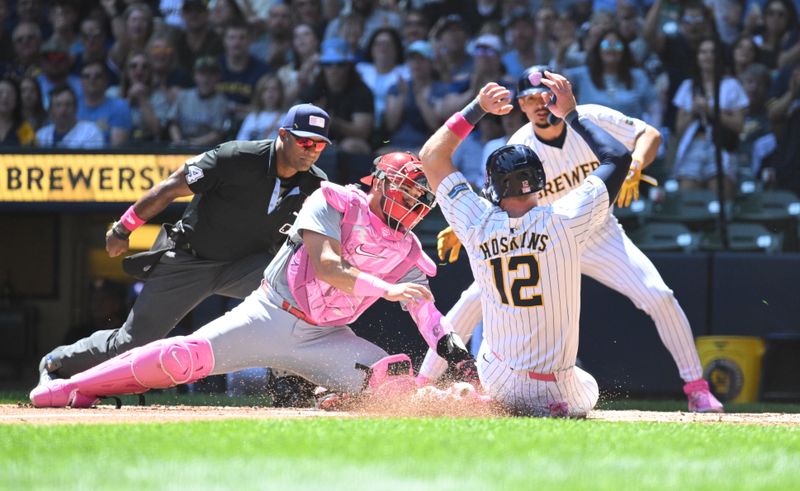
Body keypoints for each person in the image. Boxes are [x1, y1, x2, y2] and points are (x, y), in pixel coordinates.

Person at [30, 152, 476, 408]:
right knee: (180, 359)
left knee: (393, 382)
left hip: (328, 336)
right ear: (379, 182)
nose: (412, 201)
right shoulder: (335, 201)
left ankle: (342, 399)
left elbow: (425, 307)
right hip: (270, 313)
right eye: (406, 189)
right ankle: (71, 387)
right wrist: (387, 289)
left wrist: (448, 344)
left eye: (419, 196)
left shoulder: (407, 249)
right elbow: (327, 268)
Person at [417, 66, 725, 414]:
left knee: (659, 295)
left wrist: (637, 163)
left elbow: (649, 134)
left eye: (544, 95)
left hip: (594, 234)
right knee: (470, 300)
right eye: (529, 99)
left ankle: (696, 386)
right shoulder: (522, 143)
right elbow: (611, 161)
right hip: (551, 237)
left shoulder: (592, 117)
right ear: (520, 105)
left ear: (559, 95)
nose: (538, 104)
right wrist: (625, 166)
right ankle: (423, 382)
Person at [35, 103, 330, 385]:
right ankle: (57, 363)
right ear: (283, 135)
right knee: (133, 343)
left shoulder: (316, 185)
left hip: (246, 267)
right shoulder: (235, 157)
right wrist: (123, 228)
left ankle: (294, 382)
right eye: (305, 143)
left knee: (303, 293)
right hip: (191, 259)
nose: (312, 152)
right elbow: (168, 189)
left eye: (319, 145)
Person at [417, 74, 632, 416]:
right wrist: (572, 114)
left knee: (477, 307)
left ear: (492, 186)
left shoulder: (475, 220)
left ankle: (478, 395)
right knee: (586, 386)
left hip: (499, 375)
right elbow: (618, 157)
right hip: (558, 385)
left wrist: (477, 109)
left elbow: (430, 155)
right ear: (540, 181)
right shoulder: (565, 218)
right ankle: (549, 407)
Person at [35, 85, 104, 149]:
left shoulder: (90, 132)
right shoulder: (41, 135)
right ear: (50, 110)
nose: (63, 109)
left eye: (68, 105)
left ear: (76, 108)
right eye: (58, 105)